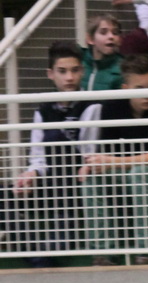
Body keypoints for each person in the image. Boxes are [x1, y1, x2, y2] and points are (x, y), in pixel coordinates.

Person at [79, 54, 148, 265]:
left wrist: (112, 162)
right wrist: (91, 165)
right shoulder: (112, 106)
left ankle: (147, 253)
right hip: (126, 173)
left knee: (140, 172)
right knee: (93, 178)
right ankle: (103, 254)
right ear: (125, 88)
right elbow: (106, 152)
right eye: (140, 88)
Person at [2, 42, 97, 268]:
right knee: (4, 195)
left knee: (57, 140)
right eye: (62, 71)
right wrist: (31, 175)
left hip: (77, 185)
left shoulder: (92, 106)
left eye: (74, 70)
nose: (69, 77)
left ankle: (51, 251)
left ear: (82, 71)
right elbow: (38, 157)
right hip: (50, 182)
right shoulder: (42, 110)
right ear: (50, 74)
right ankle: (34, 253)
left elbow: (90, 154)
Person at [82, 14, 124, 91]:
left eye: (115, 33)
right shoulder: (78, 62)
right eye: (103, 32)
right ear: (90, 39)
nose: (111, 36)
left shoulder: (124, 68)